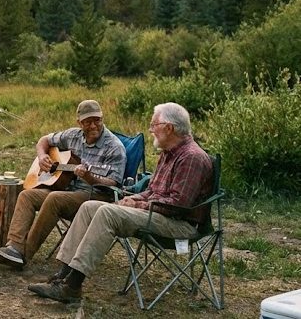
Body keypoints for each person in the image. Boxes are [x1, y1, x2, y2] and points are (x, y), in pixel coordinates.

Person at [27, 102, 214, 304]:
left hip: (180, 226)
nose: (150, 130)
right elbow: (152, 192)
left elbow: (177, 205)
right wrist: (131, 199)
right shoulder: (168, 153)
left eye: (154, 125)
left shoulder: (191, 158)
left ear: (169, 128)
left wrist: (135, 205)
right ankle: (62, 276)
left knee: (108, 213)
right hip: (158, 214)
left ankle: (72, 287)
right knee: (89, 207)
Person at [0, 99, 126, 269]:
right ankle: (14, 247)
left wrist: (89, 177)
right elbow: (44, 140)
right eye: (88, 122)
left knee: (54, 198)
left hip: (96, 195)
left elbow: (113, 183)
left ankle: (24, 254)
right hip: (68, 188)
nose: (94, 125)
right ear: (79, 123)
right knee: (27, 195)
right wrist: (42, 155)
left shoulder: (114, 147)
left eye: (97, 120)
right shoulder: (73, 135)